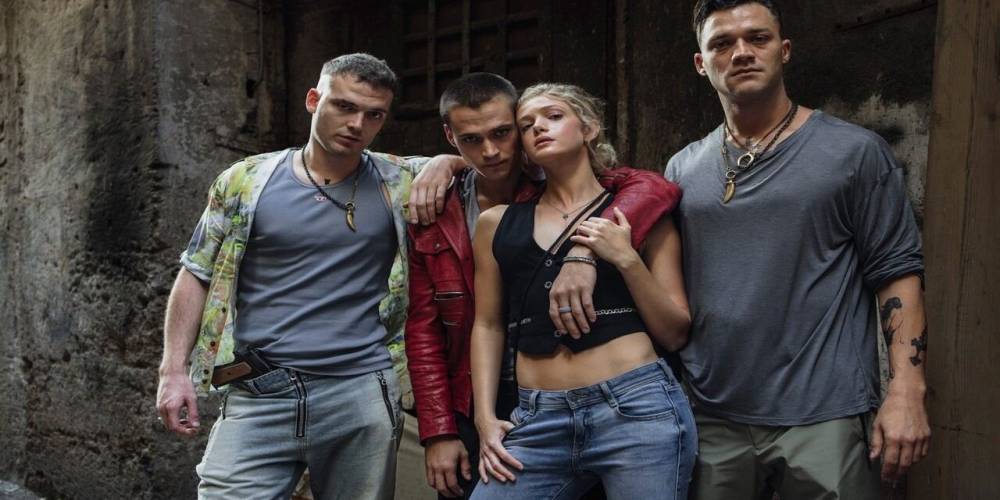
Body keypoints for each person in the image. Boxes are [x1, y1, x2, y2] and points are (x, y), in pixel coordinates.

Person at [154, 53, 463, 499]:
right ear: (314, 100)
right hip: (261, 390)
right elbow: (196, 272)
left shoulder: (399, 180)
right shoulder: (245, 181)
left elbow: (491, 167)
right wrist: (173, 371)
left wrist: (447, 162)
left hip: (360, 390)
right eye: (344, 106)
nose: (357, 124)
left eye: (373, 115)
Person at [665, 1, 931, 498]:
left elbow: (897, 273)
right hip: (712, 417)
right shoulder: (682, 169)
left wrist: (907, 391)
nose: (741, 52)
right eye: (722, 43)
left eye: (757, 38)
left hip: (823, 416)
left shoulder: (854, 152)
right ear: (701, 63)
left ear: (784, 50)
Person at [406, 73, 679, 499]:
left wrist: (599, 254)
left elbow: (657, 189)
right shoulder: (461, 214)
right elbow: (449, 326)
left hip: (631, 399)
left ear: (588, 127)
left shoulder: (627, 204)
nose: (490, 151)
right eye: (528, 124)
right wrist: (454, 425)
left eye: (503, 133)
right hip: (520, 406)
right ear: (451, 137)